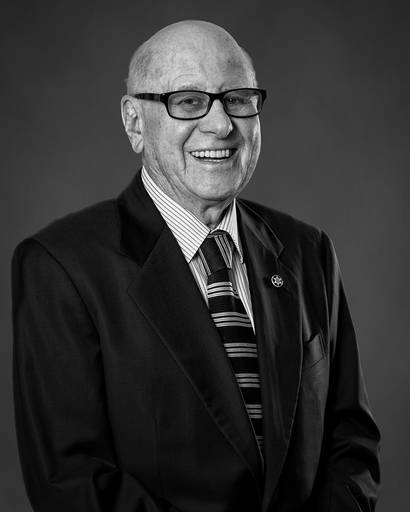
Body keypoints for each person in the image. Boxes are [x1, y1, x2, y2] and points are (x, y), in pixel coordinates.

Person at [12, 20, 380, 512]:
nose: (221, 125)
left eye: (238, 99)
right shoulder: (61, 267)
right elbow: (73, 482)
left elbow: (350, 442)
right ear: (135, 123)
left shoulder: (307, 251)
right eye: (188, 101)